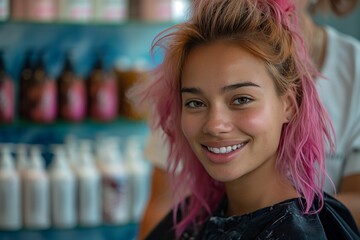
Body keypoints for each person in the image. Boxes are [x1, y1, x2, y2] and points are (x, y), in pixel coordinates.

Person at [130, 0, 360, 239]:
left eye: (241, 99)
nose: (215, 125)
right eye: (195, 103)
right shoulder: (191, 218)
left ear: (289, 104)